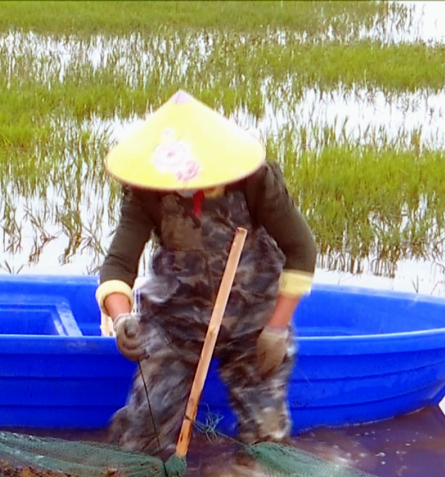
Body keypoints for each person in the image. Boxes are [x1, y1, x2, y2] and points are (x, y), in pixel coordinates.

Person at [95, 90, 317, 458]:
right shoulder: (145, 192)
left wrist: (277, 328)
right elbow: (118, 264)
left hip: (254, 321)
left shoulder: (254, 180)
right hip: (175, 320)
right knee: (142, 436)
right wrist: (120, 318)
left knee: (267, 441)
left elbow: (301, 249)